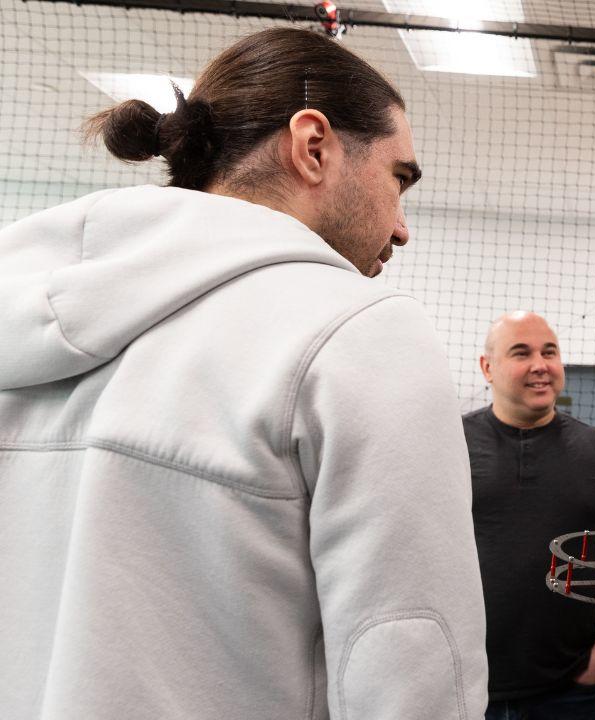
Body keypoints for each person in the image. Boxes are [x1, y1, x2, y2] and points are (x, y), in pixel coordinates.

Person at [0, 28, 486, 719]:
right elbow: (409, 655)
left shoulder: (20, 316)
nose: (402, 226)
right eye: (397, 178)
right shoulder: (361, 333)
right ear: (313, 146)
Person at [463, 311, 595, 720]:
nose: (540, 365)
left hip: (567, 690)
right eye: (521, 352)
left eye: (550, 351)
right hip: (466, 684)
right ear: (487, 367)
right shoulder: (453, 443)